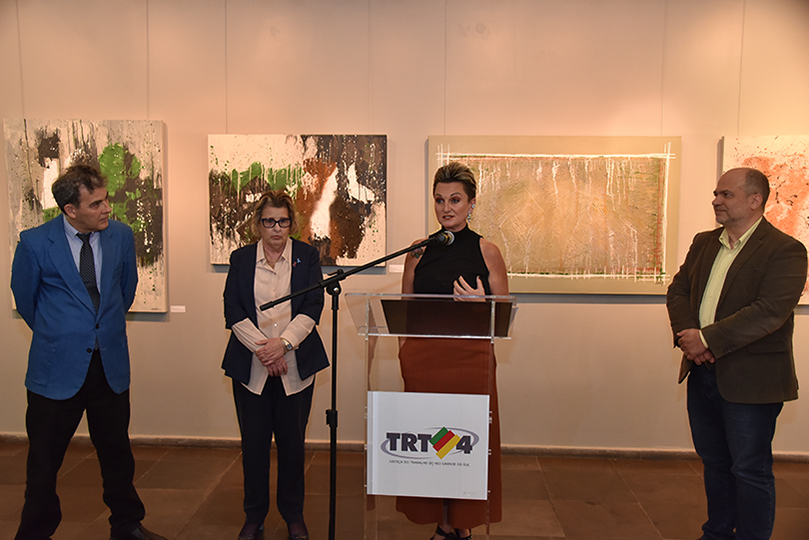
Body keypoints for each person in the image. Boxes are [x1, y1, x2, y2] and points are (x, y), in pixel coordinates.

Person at [10, 164, 166, 540]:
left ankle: (127, 525)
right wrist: (62, 333)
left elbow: (125, 290)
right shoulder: (34, 243)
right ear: (70, 209)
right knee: (44, 463)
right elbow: (26, 300)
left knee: (117, 454)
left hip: (108, 366)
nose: (107, 208)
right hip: (55, 372)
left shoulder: (121, 236)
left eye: (106, 199)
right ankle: (35, 533)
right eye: (96, 203)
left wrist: (98, 331)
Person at [666, 167, 807, 540]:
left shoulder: (786, 251)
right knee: (714, 463)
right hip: (702, 372)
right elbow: (678, 292)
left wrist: (707, 339)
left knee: (749, 469)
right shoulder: (704, 242)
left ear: (754, 200)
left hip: (751, 381)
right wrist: (688, 339)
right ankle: (716, 533)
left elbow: (769, 311)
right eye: (716, 194)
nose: (716, 200)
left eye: (726, 194)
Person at [399, 162, 509, 540]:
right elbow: (404, 308)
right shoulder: (417, 250)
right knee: (434, 444)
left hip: (468, 364)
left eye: (456, 200)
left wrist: (484, 302)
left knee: (463, 442)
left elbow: (504, 316)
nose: (447, 208)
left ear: (471, 204)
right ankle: (444, 522)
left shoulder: (487, 251)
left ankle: (457, 524)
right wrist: (405, 356)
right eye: (440, 200)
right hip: (425, 362)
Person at [222, 190, 329, 540]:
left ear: (292, 224)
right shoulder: (240, 259)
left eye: (283, 221)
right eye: (269, 221)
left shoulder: (307, 256)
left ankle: (293, 515)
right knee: (253, 446)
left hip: (295, 367)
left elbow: (313, 305)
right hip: (251, 368)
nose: (276, 229)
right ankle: (254, 516)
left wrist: (282, 345)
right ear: (258, 224)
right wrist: (264, 350)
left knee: (292, 446)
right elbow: (233, 310)